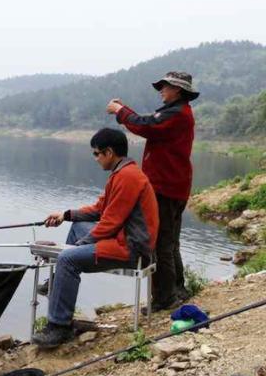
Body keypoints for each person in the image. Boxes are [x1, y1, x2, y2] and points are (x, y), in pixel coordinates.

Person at [32, 128, 158, 348]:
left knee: (67, 259)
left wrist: (77, 248)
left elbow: (110, 223)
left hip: (130, 248)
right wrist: (66, 215)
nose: (96, 158)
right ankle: (56, 284)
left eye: (96, 153)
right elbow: (101, 209)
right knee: (78, 226)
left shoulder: (128, 177)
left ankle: (59, 327)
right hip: (122, 238)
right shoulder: (121, 173)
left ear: (109, 152)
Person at [106, 71, 198, 312]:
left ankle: (165, 298)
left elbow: (145, 125)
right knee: (171, 242)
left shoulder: (176, 114)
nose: (161, 90)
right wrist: (123, 111)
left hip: (165, 187)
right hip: (175, 185)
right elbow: (148, 123)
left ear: (177, 90)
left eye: (165, 87)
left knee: (159, 243)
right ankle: (178, 289)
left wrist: (119, 110)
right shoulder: (179, 112)